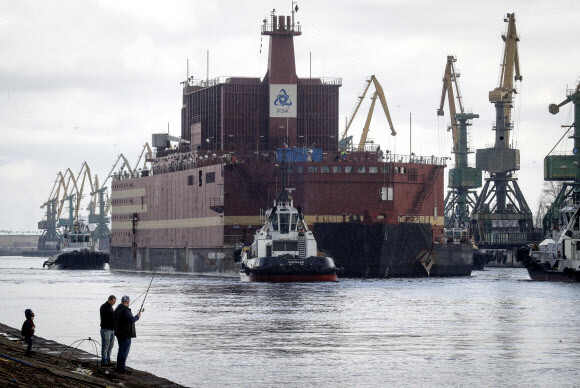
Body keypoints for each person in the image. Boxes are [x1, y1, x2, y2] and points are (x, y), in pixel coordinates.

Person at [114, 295, 141, 374]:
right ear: (128, 302)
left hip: (119, 333)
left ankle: (119, 367)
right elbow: (131, 320)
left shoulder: (117, 308)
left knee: (121, 350)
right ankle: (122, 368)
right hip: (125, 334)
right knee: (124, 351)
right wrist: (137, 316)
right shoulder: (125, 310)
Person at [100, 295, 116, 366]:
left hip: (112, 330)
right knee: (105, 346)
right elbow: (109, 314)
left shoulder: (111, 308)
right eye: (113, 301)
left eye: (114, 302)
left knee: (110, 346)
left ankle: (108, 359)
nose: (114, 303)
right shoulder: (104, 307)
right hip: (105, 330)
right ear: (109, 300)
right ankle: (104, 361)